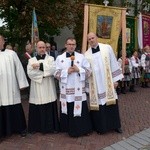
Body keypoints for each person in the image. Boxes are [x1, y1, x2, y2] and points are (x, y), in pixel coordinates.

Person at [84, 32, 123, 134]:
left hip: (108, 83)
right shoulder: (86, 55)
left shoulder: (107, 48)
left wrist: (116, 80)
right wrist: (87, 87)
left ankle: (115, 126)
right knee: (99, 106)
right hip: (96, 85)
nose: (91, 40)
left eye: (93, 38)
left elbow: (113, 63)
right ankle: (101, 128)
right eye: (89, 39)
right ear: (88, 41)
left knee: (112, 104)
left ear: (97, 37)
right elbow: (86, 72)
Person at [54, 37, 92, 137]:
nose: (71, 46)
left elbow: (89, 72)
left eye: (73, 44)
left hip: (78, 90)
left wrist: (78, 69)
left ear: (75, 46)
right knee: (69, 108)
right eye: (69, 44)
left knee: (81, 109)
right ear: (66, 45)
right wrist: (67, 71)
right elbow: (56, 74)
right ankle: (68, 128)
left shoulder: (81, 57)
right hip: (66, 91)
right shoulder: (60, 58)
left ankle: (82, 129)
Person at [0, 35, 29, 139]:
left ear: (3, 41)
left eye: (0, 40)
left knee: (15, 106)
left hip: (11, 86)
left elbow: (19, 69)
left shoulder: (12, 54)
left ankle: (20, 129)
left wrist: (22, 84)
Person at [27, 41, 59, 134]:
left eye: (43, 47)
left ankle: (51, 127)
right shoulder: (31, 60)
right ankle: (37, 128)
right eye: (40, 47)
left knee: (49, 105)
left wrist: (39, 66)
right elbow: (30, 73)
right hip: (37, 87)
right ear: (36, 48)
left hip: (48, 87)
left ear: (46, 48)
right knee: (37, 105)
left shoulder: (51, 58)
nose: (42, 49)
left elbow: (52, 70)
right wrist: (43, 74)